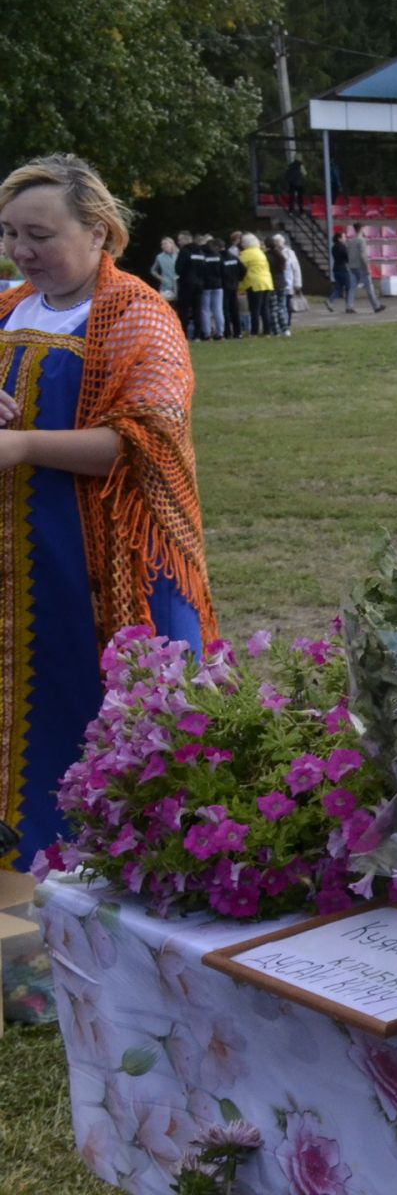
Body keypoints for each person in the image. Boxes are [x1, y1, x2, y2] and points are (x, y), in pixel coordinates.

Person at [0, 154, 217, 869]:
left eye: (39, 233)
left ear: (100, 233)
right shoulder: (10, 308)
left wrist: (24, 442)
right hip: (18, 562)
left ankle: (103, 869)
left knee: (97, 717)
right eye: (8, 234)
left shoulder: (137, 317)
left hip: (102, 563)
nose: (21, 251)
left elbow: (147, 443)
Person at [347, 223, 384, 312]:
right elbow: (363, 255)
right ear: (361, 229)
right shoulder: (361, 241)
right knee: (369, 287)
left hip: (352, 267)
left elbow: (349, 255)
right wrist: (367, 267)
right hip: (361, 267)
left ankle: (349, 306)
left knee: (352, 288)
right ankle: (376, 306)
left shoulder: (351, 241)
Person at [173, 230, 201, 338]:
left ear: (186, 239)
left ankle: (183, 333)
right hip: (199, 284)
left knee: (184, 309)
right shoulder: (199, 251)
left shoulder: (184, 251)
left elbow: (178, 269)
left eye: (180, 240)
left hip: (186, 284)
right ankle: (197, 334)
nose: (179, 242)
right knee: (197, 310)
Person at [272, 232, 299, 335]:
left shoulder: (290, 253)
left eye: (279, 242)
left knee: (287, 304)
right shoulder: (274, 254)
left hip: (289, 282)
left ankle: (287, 324)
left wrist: (297, 283)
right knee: (281, 305)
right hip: (280, 282)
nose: (279, 245)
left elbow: (296, 268)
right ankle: (282, 325)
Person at [219, 233, 243, 337]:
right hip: (234, 286)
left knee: (225, 310)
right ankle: (238, 332)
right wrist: (238, 279)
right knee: (235, 309)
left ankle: (227, 332)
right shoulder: (233, 257)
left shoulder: (220, 258)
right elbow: (243, 269)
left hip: (224, 286)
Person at [325, 229, 351, 311]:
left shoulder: (333, 247)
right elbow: (347, 257)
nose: (345, 238)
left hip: (336, 268)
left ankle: (330, 300)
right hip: (343, 269)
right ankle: (348, 306)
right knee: (348, 287)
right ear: (339, 238)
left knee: (338, 288)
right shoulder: (343, 247)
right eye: (344, 237)